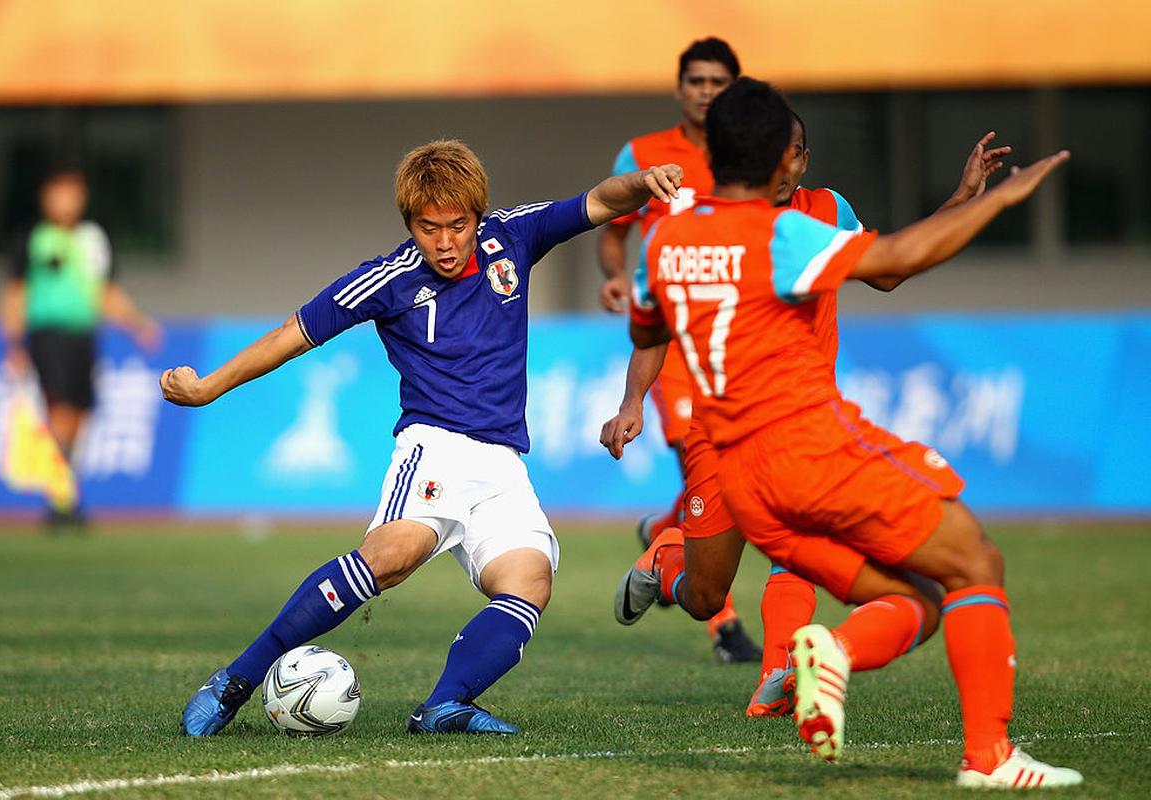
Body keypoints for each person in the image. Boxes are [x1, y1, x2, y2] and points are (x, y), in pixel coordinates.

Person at [610, 78, 1080, 788]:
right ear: (780, 163)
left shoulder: (663, 240)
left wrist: (633, 399)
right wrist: (1003, 200)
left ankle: (827, 651)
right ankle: (987, 756)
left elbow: (648, 328)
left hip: (742, 476)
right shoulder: (783, 230)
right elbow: (894, 261)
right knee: (976, 563)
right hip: (807, 448)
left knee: (916, 601)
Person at [161, 139, 683, 737]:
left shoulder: (512, 236)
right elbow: (289, 335)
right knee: (393, 557)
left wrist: (641, 183)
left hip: (504, 463)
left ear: (478, 217)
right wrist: (207, 389)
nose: (444, 242)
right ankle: (235, 680)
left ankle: (443, 705)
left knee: (528, 580)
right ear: (410, 223)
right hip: (434, 448)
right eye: (428, 227)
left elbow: (596, 201)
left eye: (458, 226)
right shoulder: (387, 279)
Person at [596, 35, 760, 663]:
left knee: (731, 473)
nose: (706, 92)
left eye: (719, 82)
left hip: (738, 343)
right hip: (671, 341)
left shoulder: (749, 155)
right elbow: (612, 225)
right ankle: (726, 629)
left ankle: (664, 537)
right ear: (679, 88)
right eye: (697, 81)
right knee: (705, 466)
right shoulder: (642, 155)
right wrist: (615, 273)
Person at [0, 167, 161, 529]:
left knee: (80, 414)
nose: (67, 201)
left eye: (74, 193)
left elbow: (105, 292)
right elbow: (15, 293)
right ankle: (60, 499)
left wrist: (138, 323)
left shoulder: (93, 239)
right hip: (48, 335)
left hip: (84, 336)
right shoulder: (32, 238)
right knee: (59, 409)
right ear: (46, 197)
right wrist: (13, 343)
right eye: (60, 193)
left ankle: (64, 489)